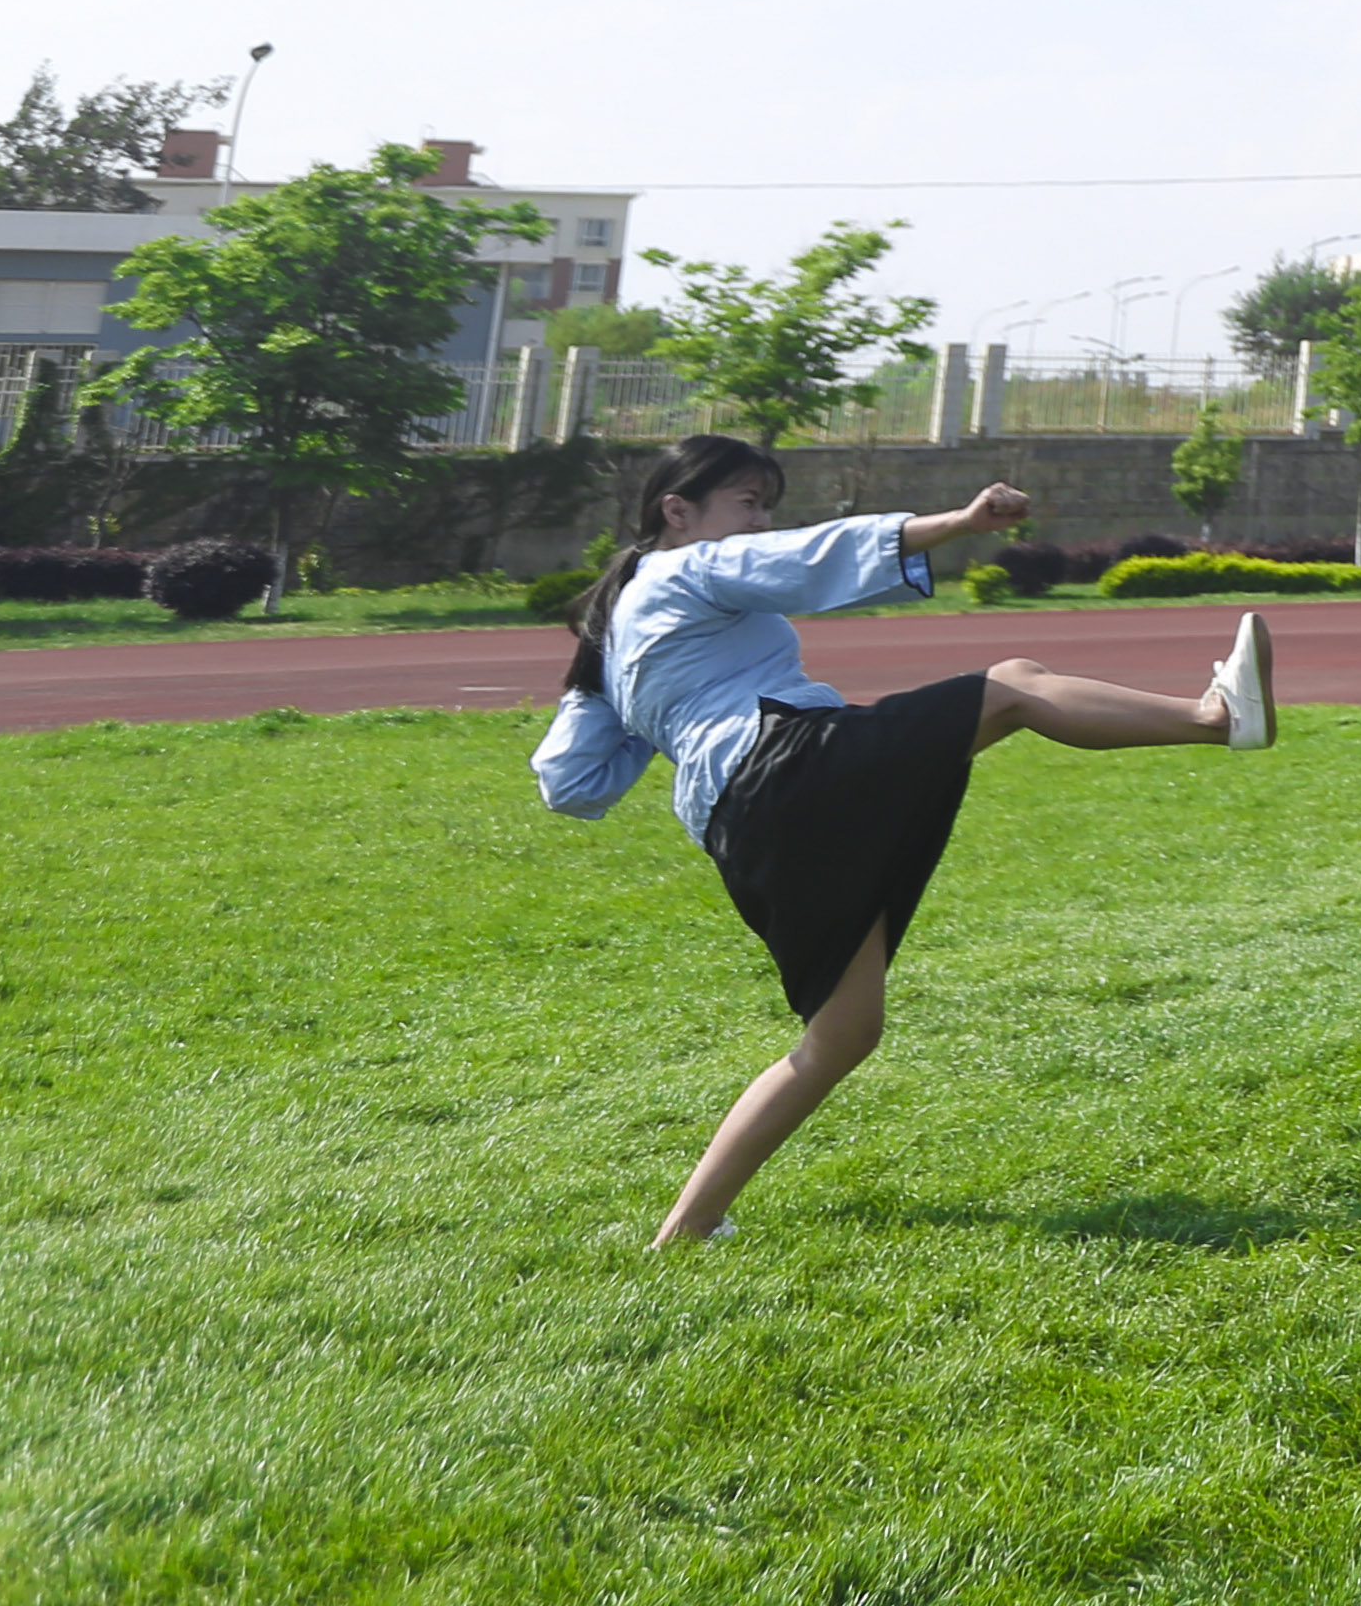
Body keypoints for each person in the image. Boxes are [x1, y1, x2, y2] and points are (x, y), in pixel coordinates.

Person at [533, 432, 1274, 1244]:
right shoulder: (688, 568)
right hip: (789, 765)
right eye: (748, 503)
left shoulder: (608, 647)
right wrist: (957, 523)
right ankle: (1216, 718)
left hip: (740, 828)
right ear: (677, 511)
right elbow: (806, 559)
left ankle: (686, 1227)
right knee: (1013, 685)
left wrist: (657, 711)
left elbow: (570, 783)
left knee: (842, 1035)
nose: (761, 521)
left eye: (765, 506)